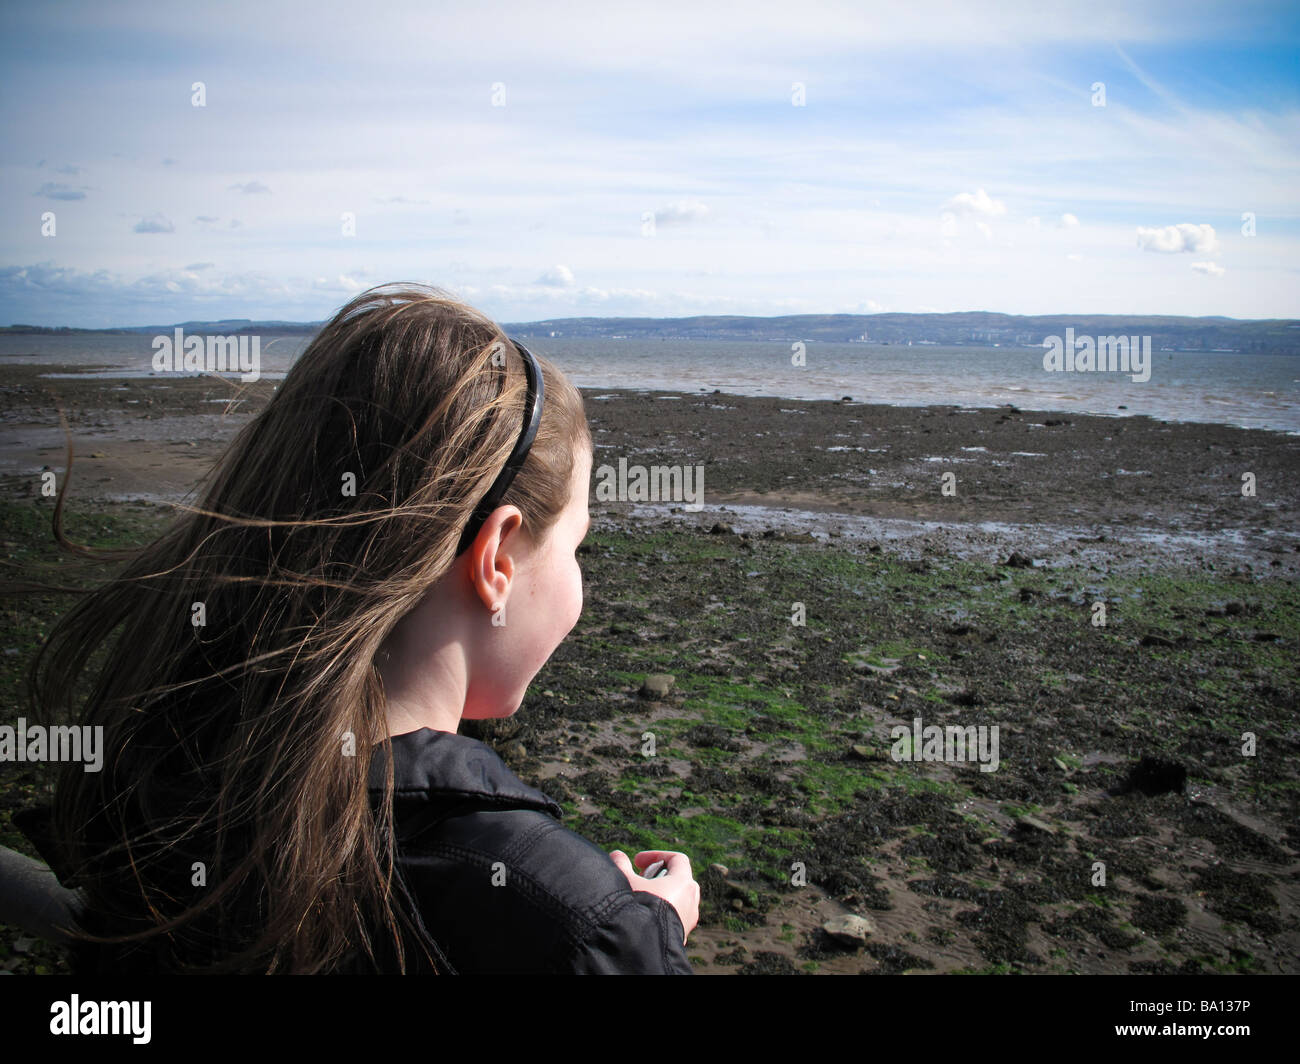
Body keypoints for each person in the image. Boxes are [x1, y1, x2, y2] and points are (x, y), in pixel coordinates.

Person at [23, 283, 699, 974]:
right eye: (575, 546)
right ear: (497, 558)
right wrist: (645, 935)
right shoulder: (568, 923)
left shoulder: (169, 786)